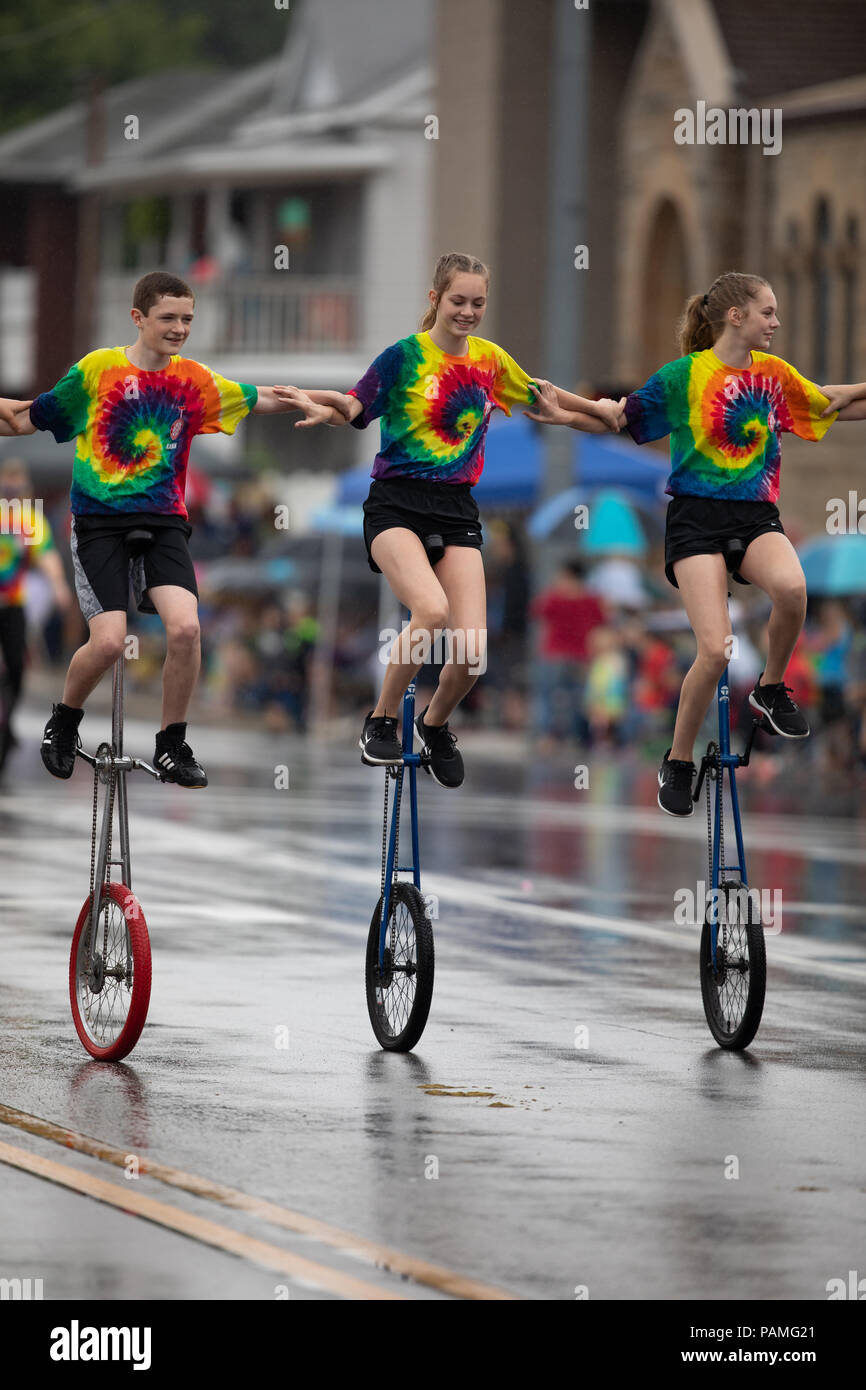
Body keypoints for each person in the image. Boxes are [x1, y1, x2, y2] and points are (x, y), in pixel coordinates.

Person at [275, 251, 624, 787]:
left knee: (472, 652)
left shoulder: (490, 361)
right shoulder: (404, 357)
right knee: (432, 611)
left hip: (457, 509)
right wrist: (326, 409)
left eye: (477, 303)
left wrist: (601, 410)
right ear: (435, 298)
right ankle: (381, 719)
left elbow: (545, 395)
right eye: (458, 301)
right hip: (395, 505)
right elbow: (354, 405)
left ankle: (434, 724)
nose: (467, 312)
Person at [526, 271, 866, 814]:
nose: (776, 322)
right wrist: (562, 411)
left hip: (755, 517)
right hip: (695, 522)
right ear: (736, 316)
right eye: (768, 312)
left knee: (794, 590)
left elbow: (833, 406)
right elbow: (616, 416)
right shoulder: (685, 376)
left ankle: (770, 688)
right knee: (714, 650)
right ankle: (679, 759)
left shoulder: (774, 375)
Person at [0, 271, 328, 787]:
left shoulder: (193, 379)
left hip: (164, 523)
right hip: (100, 523)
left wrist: (329, 402)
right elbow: (25, 418)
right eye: (168, 318)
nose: (179, 328)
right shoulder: (97, 370)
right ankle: (63, 722)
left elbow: (261, 396)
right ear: (138, 318)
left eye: (187, 319)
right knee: (110, 642)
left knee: (187, 629)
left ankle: (172, 743)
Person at [0, 458, 73, 772]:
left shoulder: (29, 520)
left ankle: (7, 722)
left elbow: (46, 556)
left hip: (13, 605)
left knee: (17, 668)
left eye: (18, 481)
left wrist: (58, 585)